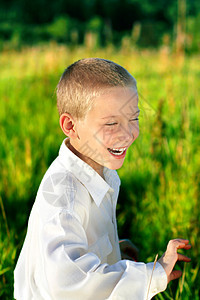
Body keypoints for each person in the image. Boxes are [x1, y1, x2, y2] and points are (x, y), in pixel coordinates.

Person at [14, 58, 191, 300]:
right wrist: (153, 274)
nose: (128, 133)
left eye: (134, 119)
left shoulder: (100, 170)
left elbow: (76, 249)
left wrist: (111, 251)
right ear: (70, 125)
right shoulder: (64, 195)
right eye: (111, 123)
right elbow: (69, 283)